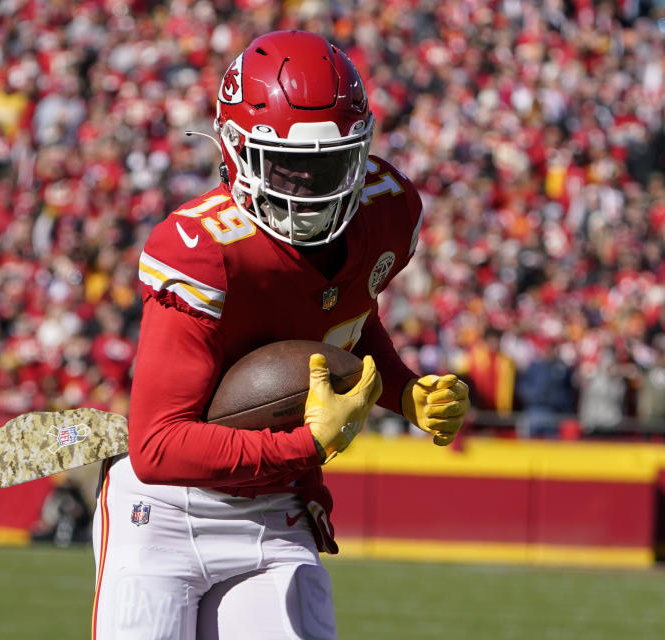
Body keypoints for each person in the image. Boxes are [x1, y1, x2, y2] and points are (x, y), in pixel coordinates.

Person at [91, 31, 469, 640]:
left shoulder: (385, 210)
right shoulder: (204, 252)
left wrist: (404, 392)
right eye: (289, 165)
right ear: (235, 150)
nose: (314, 188)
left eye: (332, 163)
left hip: (272, 512)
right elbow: (157, 447)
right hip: (161, 513)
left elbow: (347, 317)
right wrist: (305, 446)